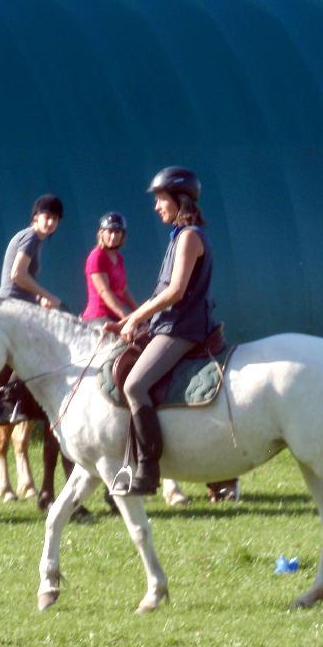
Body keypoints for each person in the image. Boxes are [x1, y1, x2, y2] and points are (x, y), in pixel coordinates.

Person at [109, 166, 216, 497]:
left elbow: (175, 293)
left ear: (178, 199)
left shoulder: (189, 238)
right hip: (167, 325)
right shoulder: (178, 237)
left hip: (182, 329)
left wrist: (133, 317)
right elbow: (161, 294)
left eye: (160, 199)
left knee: (135, 385)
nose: (157, 206)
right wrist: (137, 321)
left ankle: (149, 469)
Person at [0, 193, 64, 308]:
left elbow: (24, 282)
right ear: (36, 217)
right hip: (12, 305)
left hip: (19, 305)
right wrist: (48, 296)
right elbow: (18, 275)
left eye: (55, 218)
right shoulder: (30, 236)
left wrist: (39, 298)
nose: (51, 222)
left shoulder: (35, 239)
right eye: (47, 217)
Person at [81, 211, 138, 323]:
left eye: (117, 232)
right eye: (110, 231)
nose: (113, 236)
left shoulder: (119, 258)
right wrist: (126, 317)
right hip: (99, 318)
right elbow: (104, 291)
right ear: (101, 233)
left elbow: (124, 291)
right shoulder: (96, 256)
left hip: (115, 318)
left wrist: (140, 313)